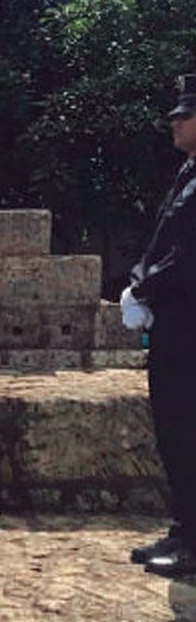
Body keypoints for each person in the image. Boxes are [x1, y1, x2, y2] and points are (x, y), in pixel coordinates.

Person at [122, 74, 196, 577]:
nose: (174, 122)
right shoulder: (187, 172)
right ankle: (185, 529)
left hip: (189, 324)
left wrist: (144, 291)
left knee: (188, 431)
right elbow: (162, 243)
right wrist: (137, 281)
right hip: (174, 323)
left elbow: (191, 259)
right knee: (174, 432)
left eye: (184, 115)